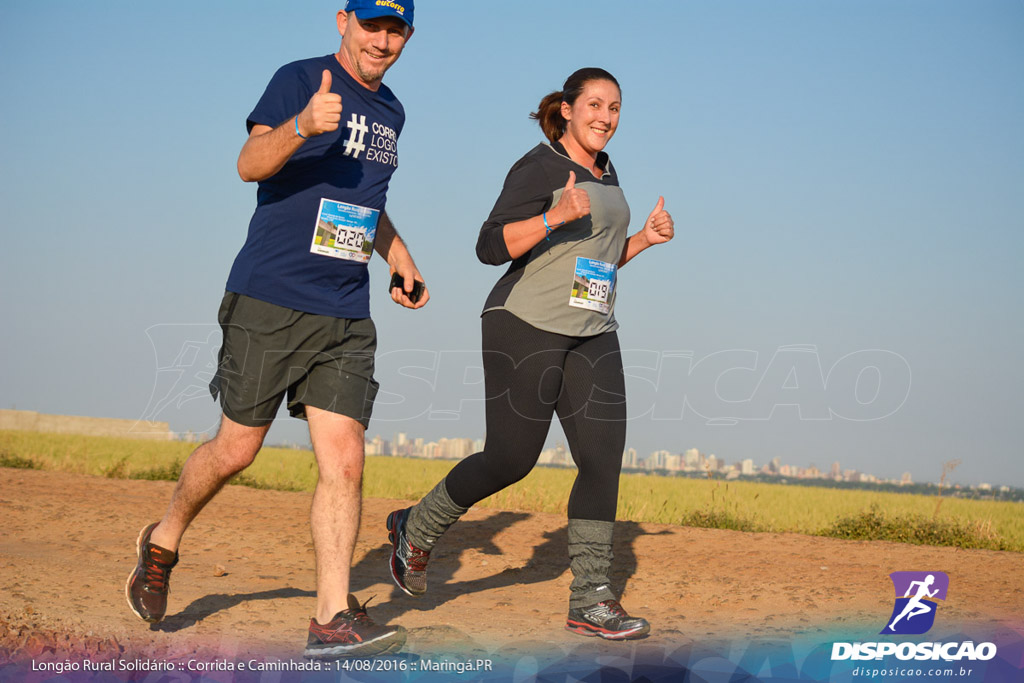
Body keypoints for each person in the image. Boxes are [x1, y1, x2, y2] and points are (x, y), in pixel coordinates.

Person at [126, 0, 426, 659]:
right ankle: (164, 538)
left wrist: (397, 254)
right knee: (237, 448)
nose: (382, 40)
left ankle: (329, 619)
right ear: (342, 19)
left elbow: (366, 200)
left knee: (345, 456)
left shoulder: (392, 112)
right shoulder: (300, 80)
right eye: (371, 24)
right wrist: (302, 124)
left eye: (395, 29)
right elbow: (250, 163)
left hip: (346, 310)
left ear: (407, 35)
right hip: (271, 296)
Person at [386, 67, 674, 640]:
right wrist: (551, 217)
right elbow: (489, 246)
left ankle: (591, 596)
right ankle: (416, 530)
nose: (606, 117)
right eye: (595, 105)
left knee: (601, 458)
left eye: (615, 108)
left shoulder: (607, 173)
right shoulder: (538, 166)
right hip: (524, 322)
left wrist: (641, 239)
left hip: (592, 328)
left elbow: (591, 263)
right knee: (511, 459)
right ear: (566, 109)